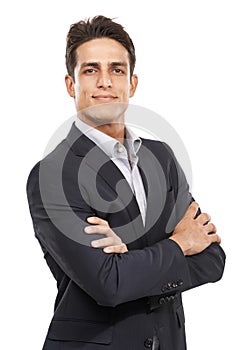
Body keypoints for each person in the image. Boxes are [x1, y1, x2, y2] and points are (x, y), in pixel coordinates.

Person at [26, 15, 226, 350]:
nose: (105, 81)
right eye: (91, 70)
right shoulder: (53, 176)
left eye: (117, 70)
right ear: (71, 85)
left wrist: (128, 261)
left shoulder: (161, 158)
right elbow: (108, 283)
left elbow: (212, 259)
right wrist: (178, 244)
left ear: (132, 84)